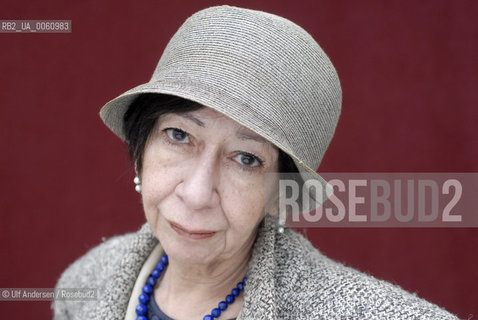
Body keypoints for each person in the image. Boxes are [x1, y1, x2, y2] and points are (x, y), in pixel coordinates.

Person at [53, 5, 458, 320]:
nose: (196, 193)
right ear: (142, 148)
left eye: (246, 159)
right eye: (179, 136)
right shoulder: (86, 284)